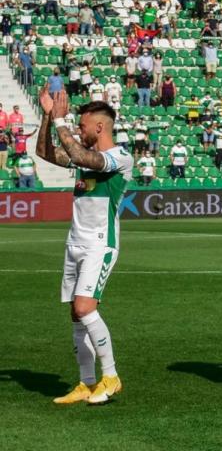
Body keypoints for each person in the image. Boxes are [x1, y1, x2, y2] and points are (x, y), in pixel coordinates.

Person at [36, 89, 133, 405]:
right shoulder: (83, 153)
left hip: (99, 245)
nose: (79, 130)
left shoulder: (119, 157)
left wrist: (61, 118)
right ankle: (86, 382)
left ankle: (111, 376)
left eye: (82, 125)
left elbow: (80, 156)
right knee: (75, 317)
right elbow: (45, 152)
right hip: (75, 242)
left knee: (84, 308)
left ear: (100, 128)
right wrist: (48, 117)